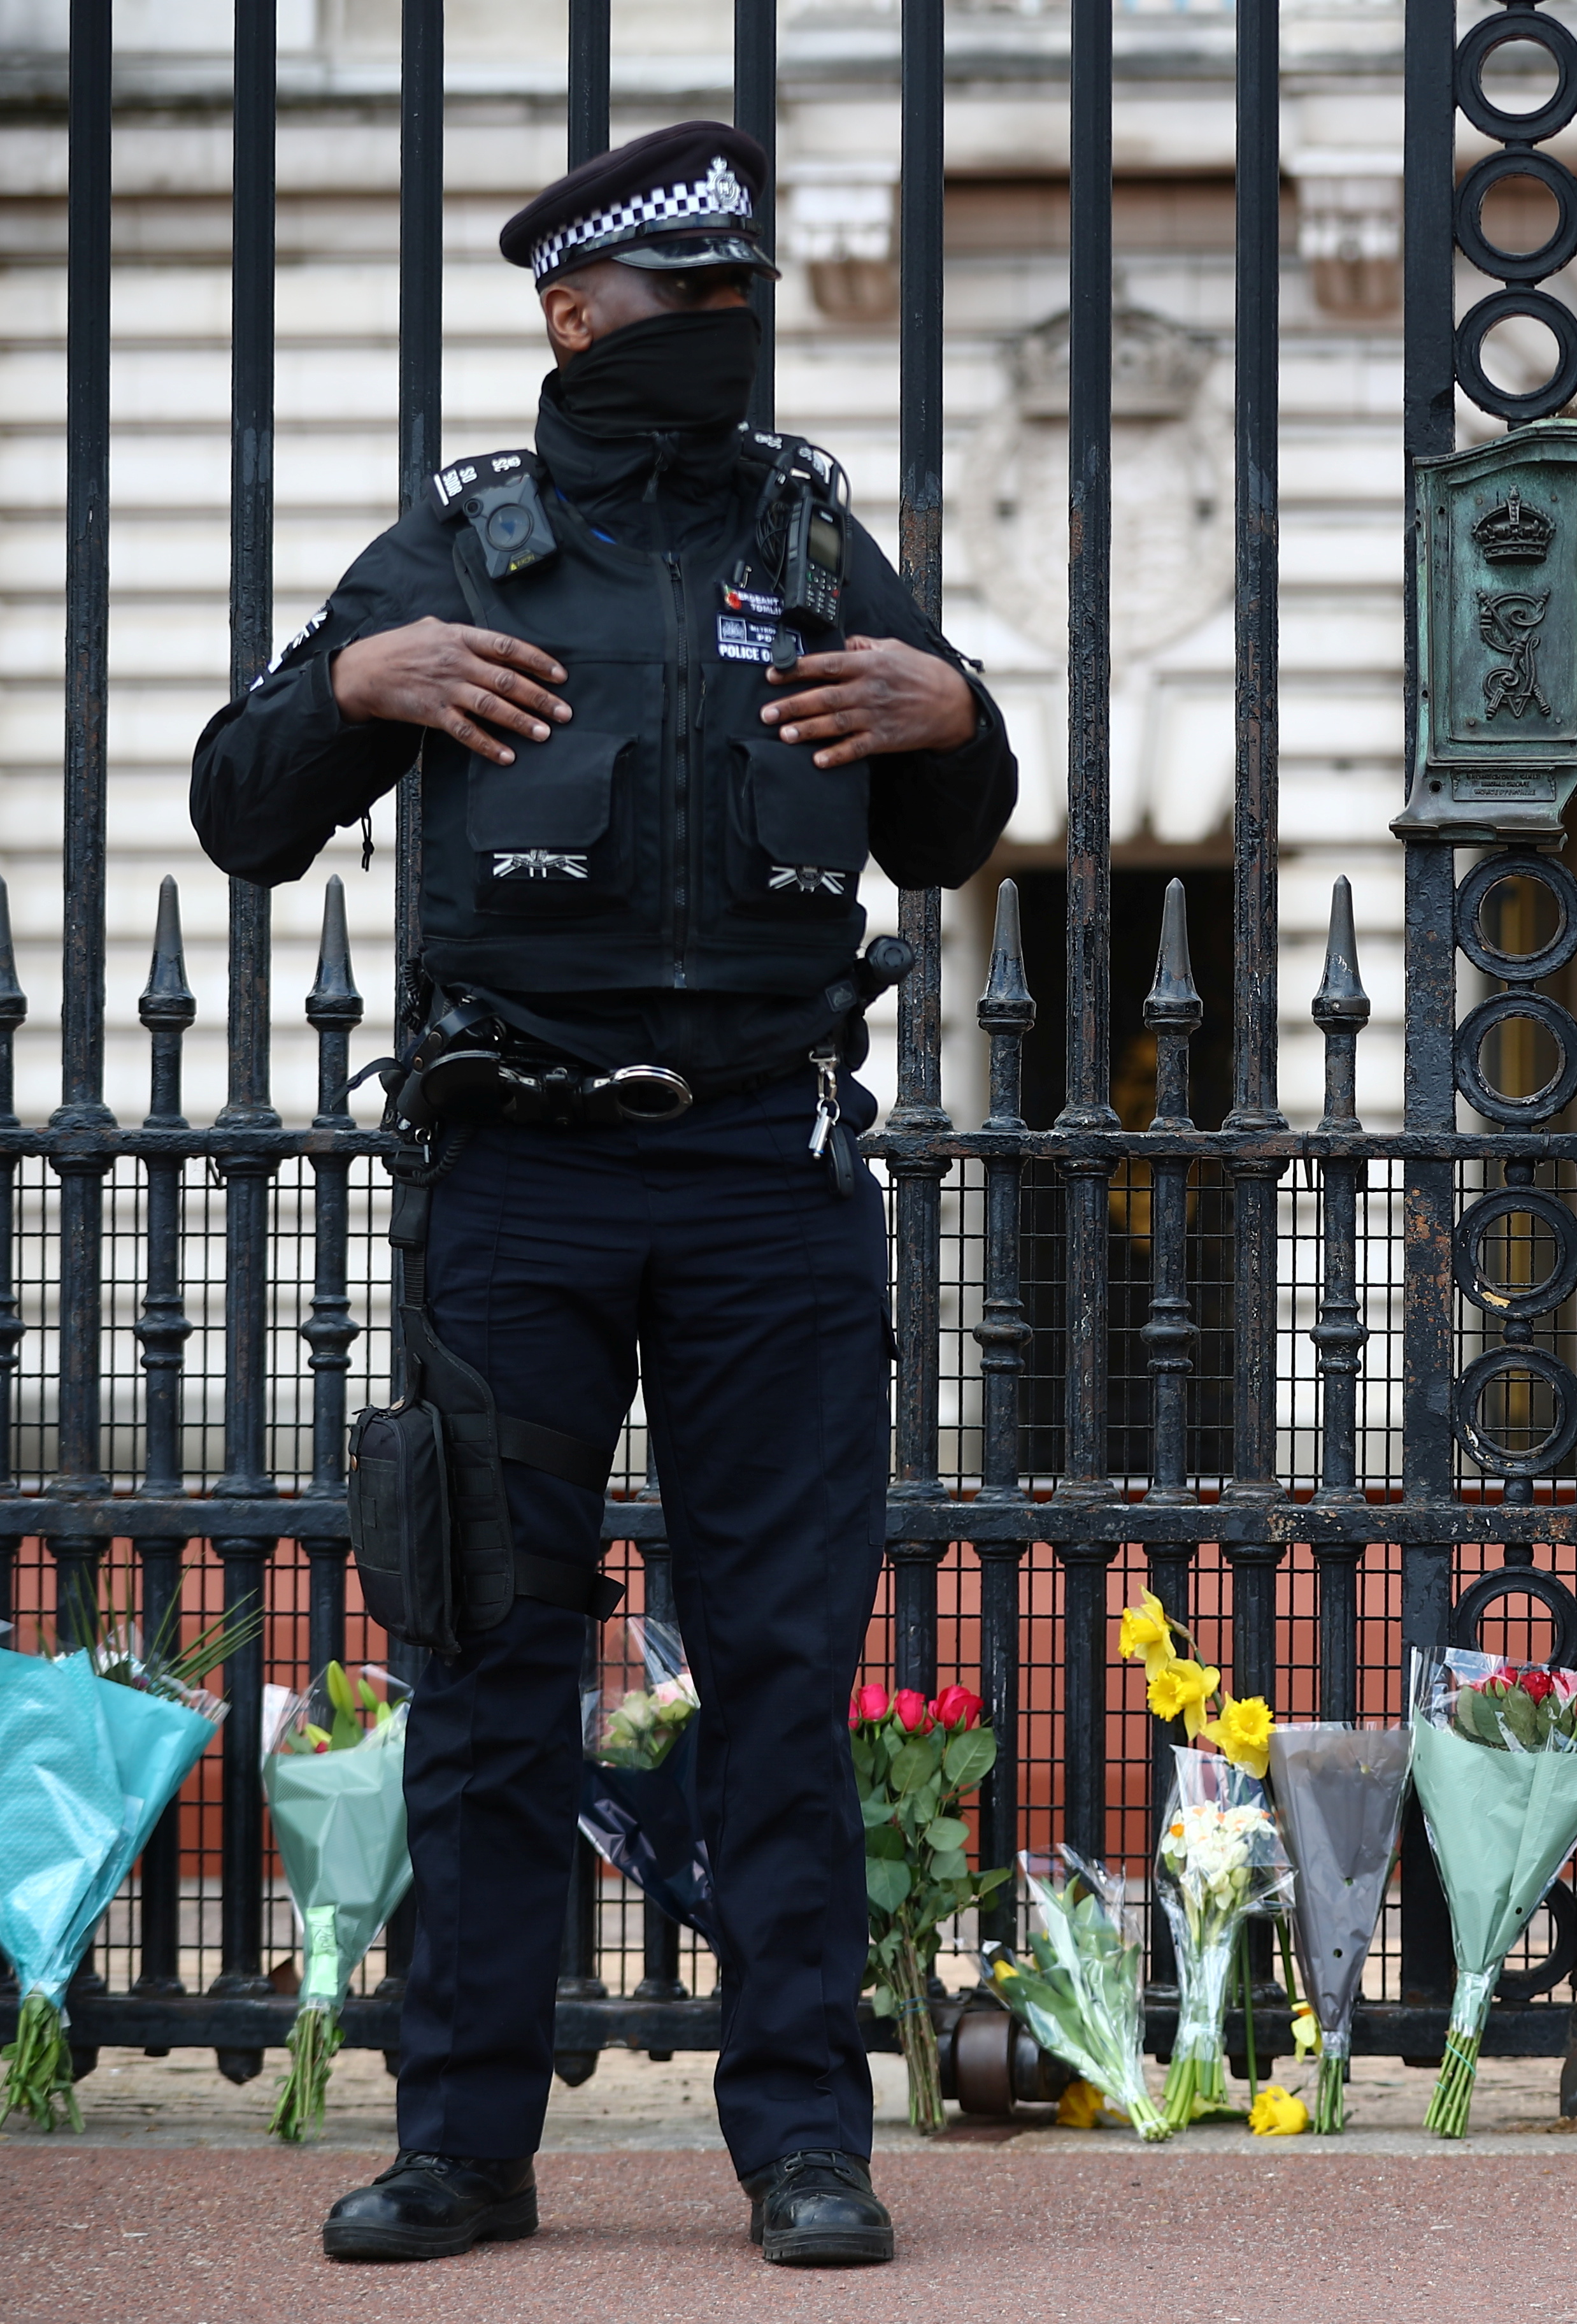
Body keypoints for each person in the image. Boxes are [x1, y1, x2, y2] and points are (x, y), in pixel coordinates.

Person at [190, 121, 1015, 2269]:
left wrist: (963, 713)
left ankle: (805, 2147)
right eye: (684, 309)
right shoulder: (463, 551)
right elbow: (244, 816)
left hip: (767, 1173)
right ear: (575, 317)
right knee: (486, 1667)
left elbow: (941, 830)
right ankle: (463, 2142)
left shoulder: (813, 536)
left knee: (780, 1676)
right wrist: (348, 685)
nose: (720, 342)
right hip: (522, 1181)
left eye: (739, 304)